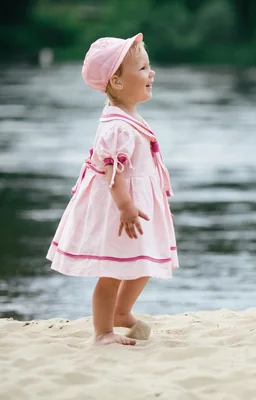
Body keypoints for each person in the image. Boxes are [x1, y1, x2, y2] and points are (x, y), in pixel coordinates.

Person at [47, 33, 178, 346]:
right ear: (117, 83)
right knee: (113, 269)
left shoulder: (129, 116)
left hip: (137, 202)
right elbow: (113, 171)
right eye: (143, 68)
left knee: (146, 259)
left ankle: (123, 311)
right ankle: (103, 331)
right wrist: (125, 206)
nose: (152, 73)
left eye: (149, 67)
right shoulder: (116, 126)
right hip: (120, 207)